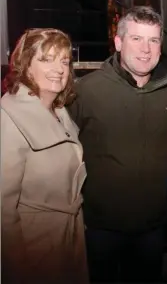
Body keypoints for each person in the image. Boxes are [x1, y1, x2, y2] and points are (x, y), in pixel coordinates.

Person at [67, 6, 167, 283]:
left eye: (153, 40)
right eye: (136, 39)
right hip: (98, 228)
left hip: (152, 229)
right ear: (118, 42)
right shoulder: (85, 91)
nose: (146, 49)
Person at [1, 28, 88, 284]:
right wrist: (18, 267)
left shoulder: (59, 111)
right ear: (25, 65)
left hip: (67, 241)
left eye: (64, 61)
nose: (59, 68)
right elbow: (2, 210)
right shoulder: (9, 117)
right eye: (46, 59)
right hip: (34, 248)